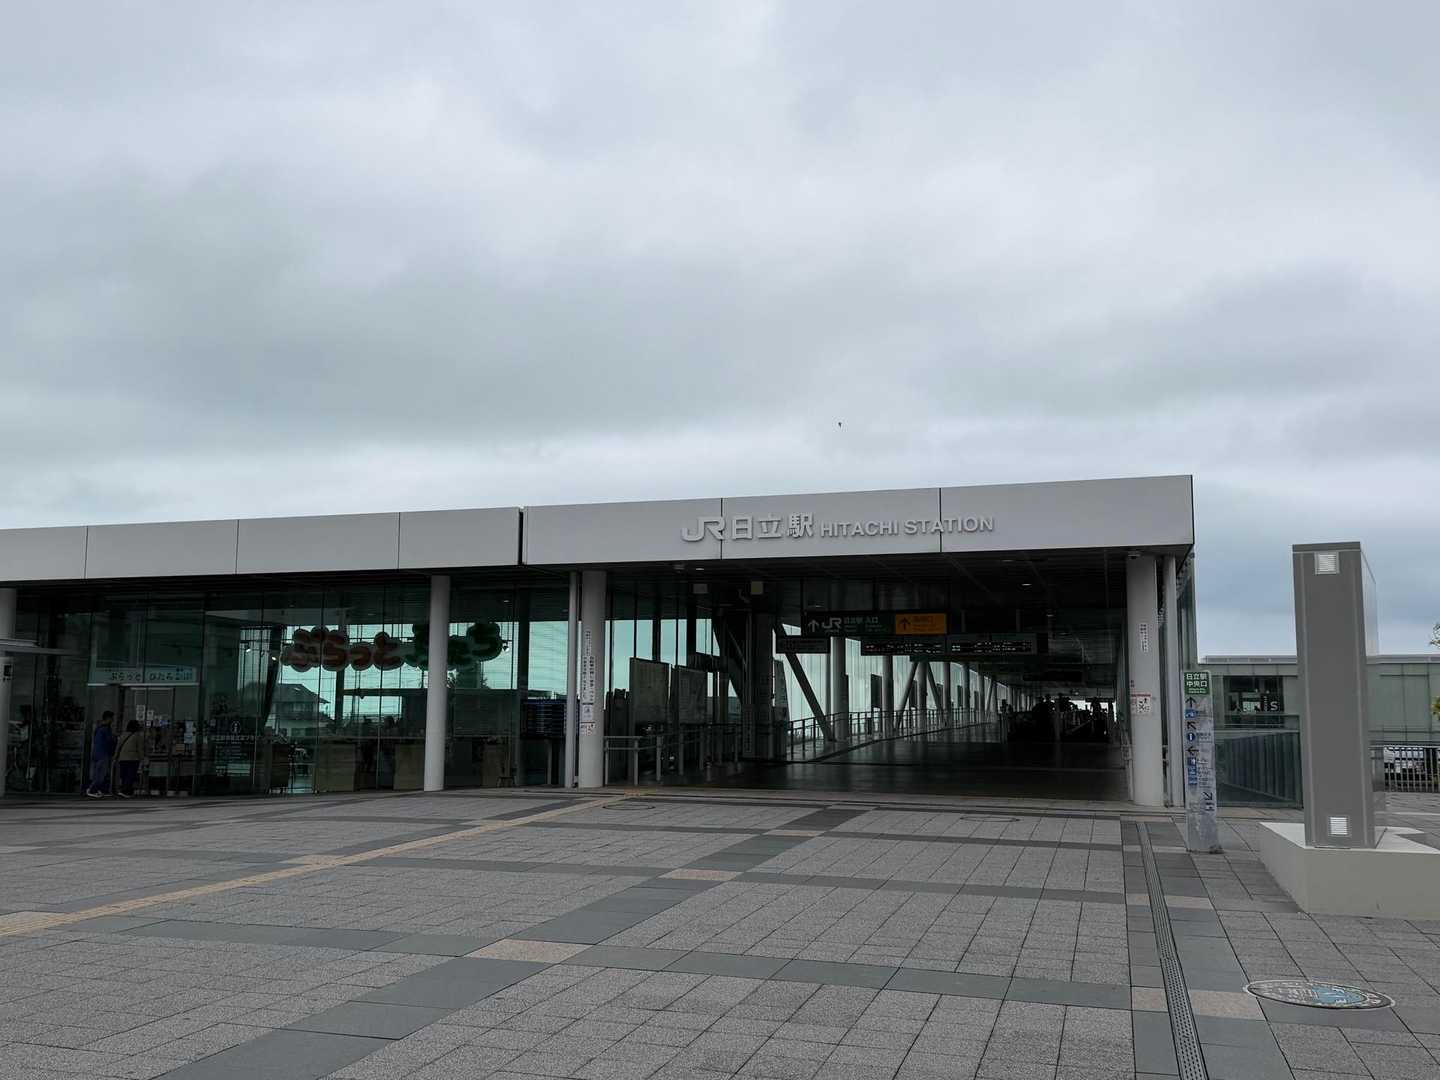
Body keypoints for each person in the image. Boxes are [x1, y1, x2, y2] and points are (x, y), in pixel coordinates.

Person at [86, 712, 117, 798]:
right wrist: (115, 738)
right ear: (108, 718)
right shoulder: (105, 729)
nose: (113, 720)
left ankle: (99, 790)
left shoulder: (98, 728)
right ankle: (92, 790)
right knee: (100, 774)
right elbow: (110, 740)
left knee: (98, 773)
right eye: (112, 718)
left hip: (97, 753)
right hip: (103, 753)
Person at [114, 719, 144, 799]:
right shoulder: (137, 736)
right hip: (133, 758)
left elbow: (118, 747)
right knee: (130, 775)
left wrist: (115, 757)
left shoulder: (123, 735)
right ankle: (125, 791)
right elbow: (139, 749)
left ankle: (126, 791)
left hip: (122, 758)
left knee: (124, 775)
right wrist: (142, 759)